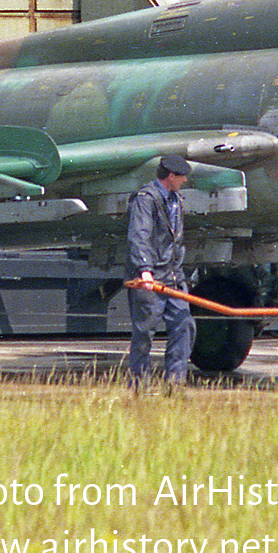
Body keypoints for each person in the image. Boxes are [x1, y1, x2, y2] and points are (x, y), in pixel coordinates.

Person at [126, 154, 195, 388]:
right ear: (171, 176)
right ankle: (138, 385)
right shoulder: (145, 199)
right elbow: (139, 235)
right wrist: (145, 269)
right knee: (145, 332)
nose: (185, 180)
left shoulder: (177, 200)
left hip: (173, 276)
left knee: (184, 325)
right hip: (150, 276)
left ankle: (175, 384)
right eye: (182, 176)